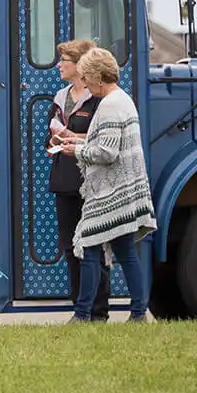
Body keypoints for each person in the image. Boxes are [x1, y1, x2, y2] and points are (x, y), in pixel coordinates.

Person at [57, 47, 156, 324]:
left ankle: (82, 314)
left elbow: (107, 153)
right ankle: (138, 313)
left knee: (88, 246)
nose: (85, 83)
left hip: (110, 193)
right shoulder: (123, 100)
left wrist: (74, 152)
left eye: (87, 77)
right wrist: (78, 142)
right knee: (126, 253)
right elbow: (106, 144)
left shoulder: (110, 106)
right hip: (127, 190)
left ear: (99, 77)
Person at [50, 39, 110, 322]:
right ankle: (80, 309)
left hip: (91, 181)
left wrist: (75, 138)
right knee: (70, 248)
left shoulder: (98, 98)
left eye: (64, 60)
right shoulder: (60, 97)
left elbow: (105, 137)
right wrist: (54, 139)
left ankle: (98, 311)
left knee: (93, 245)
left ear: (80, 65)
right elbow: (51, 130)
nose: (59, 64)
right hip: (64, 179)